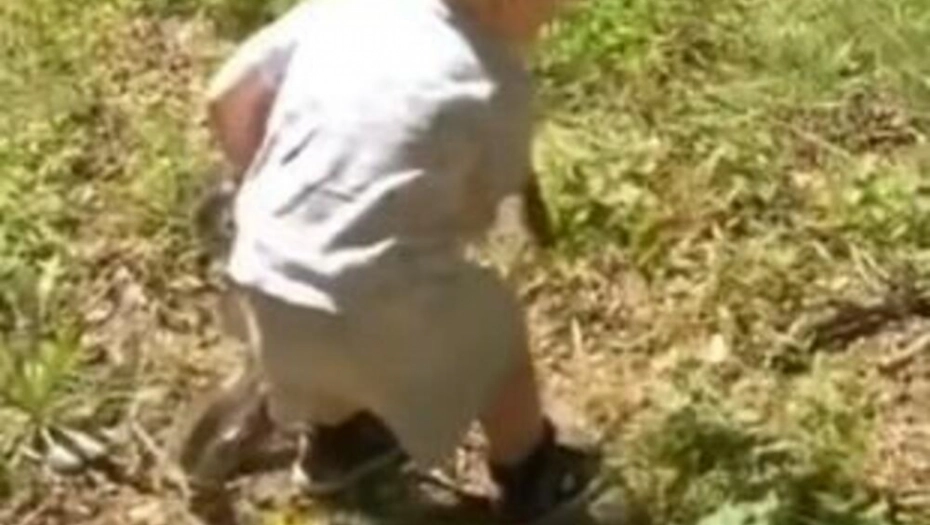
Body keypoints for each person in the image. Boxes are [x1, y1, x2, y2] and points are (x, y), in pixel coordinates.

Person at [189, 0, 596, 522]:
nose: (561, 14)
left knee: (326, 341)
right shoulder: (496, 82)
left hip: (261, 289)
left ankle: (339, 442)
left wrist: (262, 182)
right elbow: (477, 206)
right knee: (493, 329)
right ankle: (531, 472)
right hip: (376, 307)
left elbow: (223, 95)